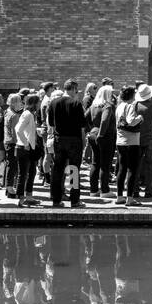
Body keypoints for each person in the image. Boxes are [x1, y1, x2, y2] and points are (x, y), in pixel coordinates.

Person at [50, 79, 89, 209]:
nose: (76, 93)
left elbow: (51, 123)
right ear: (72, 89)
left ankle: (56, 200)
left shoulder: (54, 102)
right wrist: (83, 142)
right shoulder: (76, 104)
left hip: (59, 139)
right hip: (74, 140)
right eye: (76, 90)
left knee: (58, 170)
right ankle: (75, 200)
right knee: (74, 170)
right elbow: (82, 126)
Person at [114, 85, 144, 206]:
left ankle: (119, 196)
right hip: (131, 142)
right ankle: (130, 198)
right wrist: (140, 118)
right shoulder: (130, 106)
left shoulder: (119, 106)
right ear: (132, 95)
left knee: (121, 169)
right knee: (132, 169)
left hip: (120, 141)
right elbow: (131, 121)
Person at [87, 84, 117, 198]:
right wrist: (101, 134)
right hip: (105, 137)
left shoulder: (93, 105)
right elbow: (104, 121)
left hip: (93, 134)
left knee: (95, 163)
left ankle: (93, 190)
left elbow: (85, 118)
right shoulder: (108, 105)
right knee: (105, 164)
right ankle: (105, 191)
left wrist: (92, 130)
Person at [13, 94, 42, 206]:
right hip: (24, 148)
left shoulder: (31, 114)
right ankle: (21, 199)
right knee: (23, 174)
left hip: (30, 148)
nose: (40, 104)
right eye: (38, 102)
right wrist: (25, 143)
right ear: (34, 103)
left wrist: (37, 131)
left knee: (32, 173)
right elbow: (18, 129)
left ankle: (29, 197)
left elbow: (26, 130)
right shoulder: (27, 114)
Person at [133, 83, 152, 199]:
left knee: (136, 165)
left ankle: (134, 190)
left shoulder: (136, 105)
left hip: (137, 138)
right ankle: (149, 190)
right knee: (150, 165)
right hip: (151, 138)